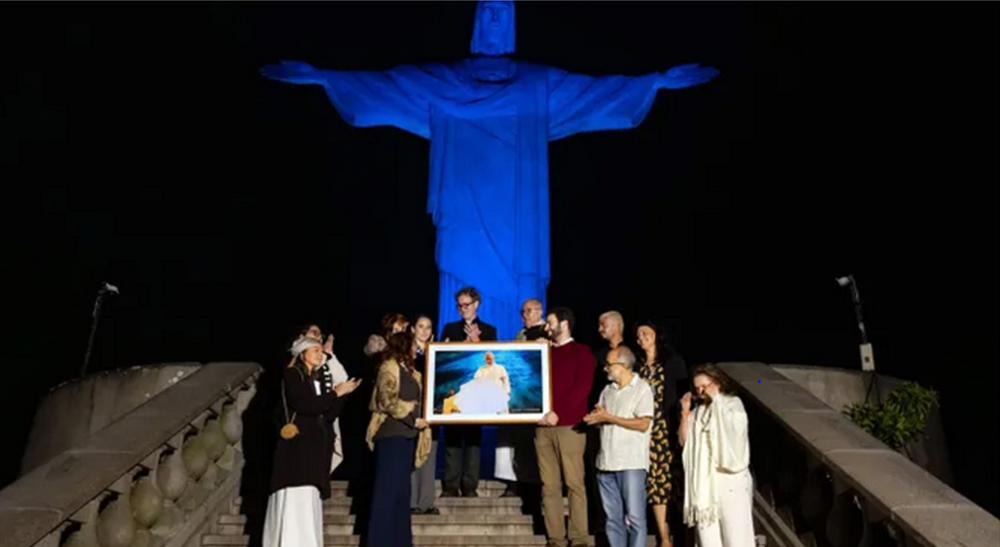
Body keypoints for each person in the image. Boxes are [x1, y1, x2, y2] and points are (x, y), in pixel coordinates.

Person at [263, 337, 362, 547]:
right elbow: (306, 404)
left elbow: (327, 413)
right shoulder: (292, 375)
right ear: (302, 354)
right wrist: (336, 392)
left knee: (308, 502)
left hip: (313, 453)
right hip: (297, 454)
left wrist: (343, 394)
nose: (320, 354)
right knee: (296, 503)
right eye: (315, 350)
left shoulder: (315, 378)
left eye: (321, 351)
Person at [366, 331, 433, 547]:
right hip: (391, 436)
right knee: (387, 494)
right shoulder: (389, 366)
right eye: (414, 346)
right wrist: (413, 417)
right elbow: (386, 400)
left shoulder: (412, 372)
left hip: (407, 438)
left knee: (402, 495)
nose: (417, 349)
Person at [584, 346, 655, 547]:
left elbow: (643, 423)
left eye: (609, 364)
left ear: (623, 365)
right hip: (606, 462)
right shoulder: (607, 390)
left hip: (630, 463)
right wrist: (597, 417)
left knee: (634, 517)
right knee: (613, 519)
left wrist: (609, 417)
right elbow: (604, 418)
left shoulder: (642, 388)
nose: (605, 368)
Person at [537, 307, 594, 547]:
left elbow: (582, 387)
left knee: (574, 483)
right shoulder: (544, 352)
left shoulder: (581, 352)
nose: (547, 328)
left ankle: (579, 537)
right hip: (542, 427)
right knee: (549, 485)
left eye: (550, 323)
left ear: (565, 323)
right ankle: (556, 538)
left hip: (570, 426)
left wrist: (558, 414)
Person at [679, 365, 754, 547]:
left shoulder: (732, 404)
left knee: (736, 536)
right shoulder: (698, 412)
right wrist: (685, 412)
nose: (701, 392)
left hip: (730, 481)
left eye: (705, 386)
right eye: (697, 389)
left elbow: (735, 433)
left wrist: (718, 401)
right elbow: (684, 442)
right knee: (708, 539)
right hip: (705, 486)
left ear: (717, 382)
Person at [636, 321, 690, 547]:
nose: (642, 338)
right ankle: (663, 536)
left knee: (672, 482)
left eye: (646, 333)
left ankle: (679, 532)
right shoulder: (638, 368)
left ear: (657, 335)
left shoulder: (672, 362)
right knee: (654, 483)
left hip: (665, 429)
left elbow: (683, 393)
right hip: (644, 431)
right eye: (638, 335)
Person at [441, 286, 497, 497]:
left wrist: (477, 343)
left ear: (477, 304)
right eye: (459, 306)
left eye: (466, 305)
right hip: (455, 391)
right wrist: (462, 345)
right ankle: (450, 486)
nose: (462, 309)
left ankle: (470, 486)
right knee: (453, 439)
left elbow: (493, 361)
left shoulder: (489, 330)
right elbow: (444, 359)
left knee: (473, 440)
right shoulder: (449, 328)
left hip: (477, 391)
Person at [409, 314, 441, 515]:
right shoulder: (405, 352)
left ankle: (426, 502)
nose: (424, 330)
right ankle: (411, 501)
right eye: (420, 326)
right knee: (412, 456)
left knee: (429, 455)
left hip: (431, 411)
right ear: (413, 329)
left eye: (428, 327)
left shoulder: (436, 352)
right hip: (410, 411)